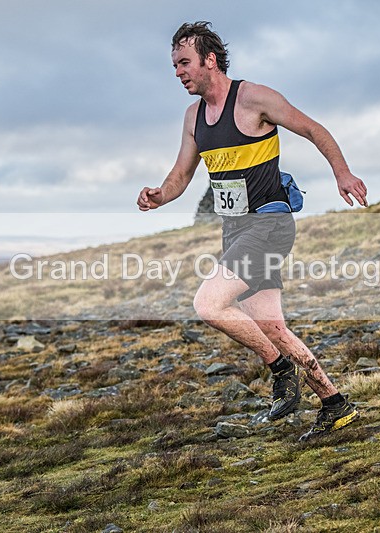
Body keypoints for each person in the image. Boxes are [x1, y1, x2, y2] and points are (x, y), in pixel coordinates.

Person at [137, 21, 368, 441]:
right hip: (237, 231)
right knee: (273, 327)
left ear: (210, 60)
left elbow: (314, 129)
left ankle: (280, 372)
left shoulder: (254, 99)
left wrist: (343, 174)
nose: (178, 72)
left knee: (208, 304)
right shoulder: (193, 118)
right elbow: (181, 175)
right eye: (174, 66)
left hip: (269, 224)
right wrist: (159, 196)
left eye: (184, 63)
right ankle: (336, 405)